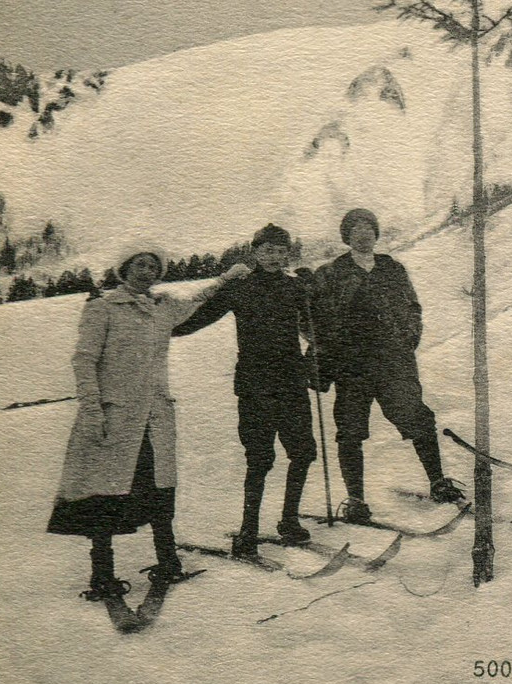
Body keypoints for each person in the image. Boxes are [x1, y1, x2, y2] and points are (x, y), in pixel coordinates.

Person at [49, 246, 250, 600]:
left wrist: (225, 279)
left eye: (152, 267)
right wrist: (94, 411)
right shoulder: (103, 308)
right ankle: (102, 574)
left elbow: (196, 301)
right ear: (123, 269)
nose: (146, 272)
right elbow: (84, 362)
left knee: (159, 491)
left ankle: (168, 561)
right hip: (115, 417)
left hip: (154, 417)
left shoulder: (162, 307)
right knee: (104, 494)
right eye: (139, 265)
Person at [173, 224, 321, 557]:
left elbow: (315, 331)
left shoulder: (296, 288)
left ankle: (288, 520)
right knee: (259, 458)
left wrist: (314, 353)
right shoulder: (240, 288)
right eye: (267, 250)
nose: (274, 257)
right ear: (254, 253)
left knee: (302, 453)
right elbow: (199, 318)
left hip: (292, 382)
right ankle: (248, 530)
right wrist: (164, 330)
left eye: (281, 251)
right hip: (256, 385)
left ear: (287, 255)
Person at [311, 207, 464, 524]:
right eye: (356, 229)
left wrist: (407, 340)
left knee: (416, 417)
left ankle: (438, 482)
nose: (363, 234)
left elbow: (413, 308)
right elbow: (310, 318)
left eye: (368, 228)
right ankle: (355, 500)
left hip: (393, 362)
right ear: (347, 236)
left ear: (376, 234)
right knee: (351, 429)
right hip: (351, 365)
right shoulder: (330, 273)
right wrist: (327, 348)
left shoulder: (392, 269)